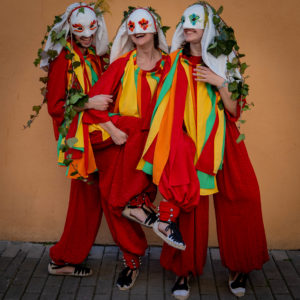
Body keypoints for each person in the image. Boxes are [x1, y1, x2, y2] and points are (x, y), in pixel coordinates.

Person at [139, 3, 269, 299]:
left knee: (242, 196)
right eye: (184, 21)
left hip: (224, 139)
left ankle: (240, 266)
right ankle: (184, 271)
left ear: (209, 26)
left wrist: (220, 82)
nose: (187, 26)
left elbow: (234, 109)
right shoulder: (173, 61)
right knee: (189, 206)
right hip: (188, 141)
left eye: (194, 21)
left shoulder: (226, 60)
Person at [81, 7, 170, 290]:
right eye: (132, 26)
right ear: (128, 32)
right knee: (114, 202)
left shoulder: (171, 66)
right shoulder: (121, 65)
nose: (138, 29)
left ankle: (179, 262)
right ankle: (131, 259)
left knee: (145, 196)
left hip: (155, 145)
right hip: (120, 142)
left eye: (144, 24)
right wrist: (114, 130)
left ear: (154, 28)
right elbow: (94, 104)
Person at [42, 2, 111, 276]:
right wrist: (90, 102)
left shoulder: (92, 57)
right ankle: (61, 259)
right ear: (70, 28)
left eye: (91, 29)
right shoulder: (64, 60)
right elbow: (55, 105)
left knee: (91, 201)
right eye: (79, 29)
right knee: (86, 202)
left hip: (94, 137)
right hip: (79, 142)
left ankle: (65, 257)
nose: (86, 35)